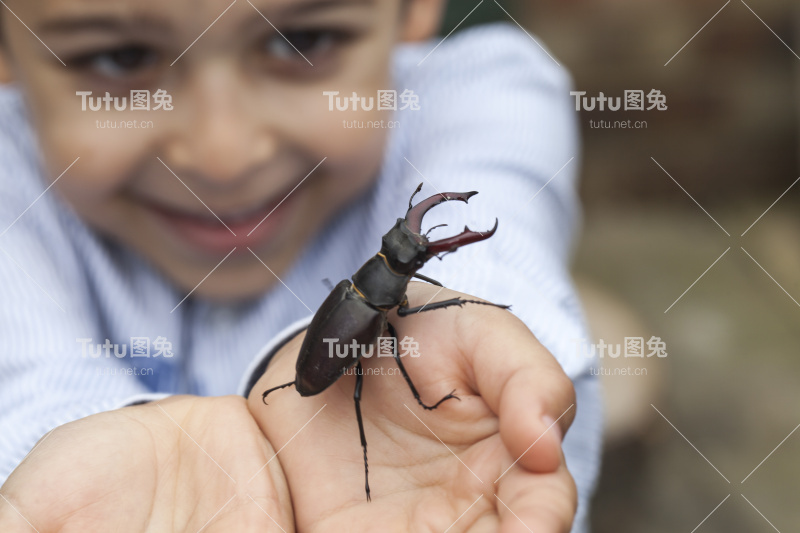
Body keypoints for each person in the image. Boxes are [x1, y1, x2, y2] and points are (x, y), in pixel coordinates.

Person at [0, 0, 602, 531]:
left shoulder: (479, 91)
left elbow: (488, 267)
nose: (224, 156)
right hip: (325, 361)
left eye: (302, 41)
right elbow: (27, 383)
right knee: (373, 382)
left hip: (339, 356)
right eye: (120, 56)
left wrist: (476, 337)